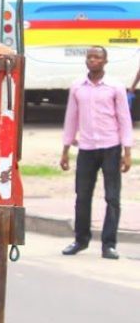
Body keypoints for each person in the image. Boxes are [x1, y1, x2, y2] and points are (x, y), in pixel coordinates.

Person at [60, 46, 133, 260]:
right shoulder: (77, 87)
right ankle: (80, 240)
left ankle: (109, 244)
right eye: (90, 57)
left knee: (112, 197)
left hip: (111, 147)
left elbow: (124, 119)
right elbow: (71, 119)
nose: (93, 60)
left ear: (105, 61)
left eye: (97, 57)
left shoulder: (115, 87)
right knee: (82, 196)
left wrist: (127, 151)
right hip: (86, 148)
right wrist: (65, 150)